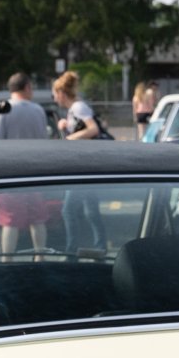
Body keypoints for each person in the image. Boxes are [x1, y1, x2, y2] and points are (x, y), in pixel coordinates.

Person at [0, 73, 53, 256]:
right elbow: (44, 140)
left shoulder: (3, 110)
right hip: (34, 172)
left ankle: (7, 260)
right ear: (27, 87)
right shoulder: (38, 110)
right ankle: (40, 257)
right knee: (37, 220)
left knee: (10, 222)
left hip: (9, 173)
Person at [53, 71, 106, 251]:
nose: (55, 99)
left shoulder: (78, 107)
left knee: (68, 211)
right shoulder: (75, 109)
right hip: (87, 164)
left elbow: (93, 129)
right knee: (91, 210)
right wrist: (65, 126)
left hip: (84, 166)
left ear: (61, 93)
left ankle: (72, 250)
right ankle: (100, 247)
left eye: (55, 94)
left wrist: (69, 138)